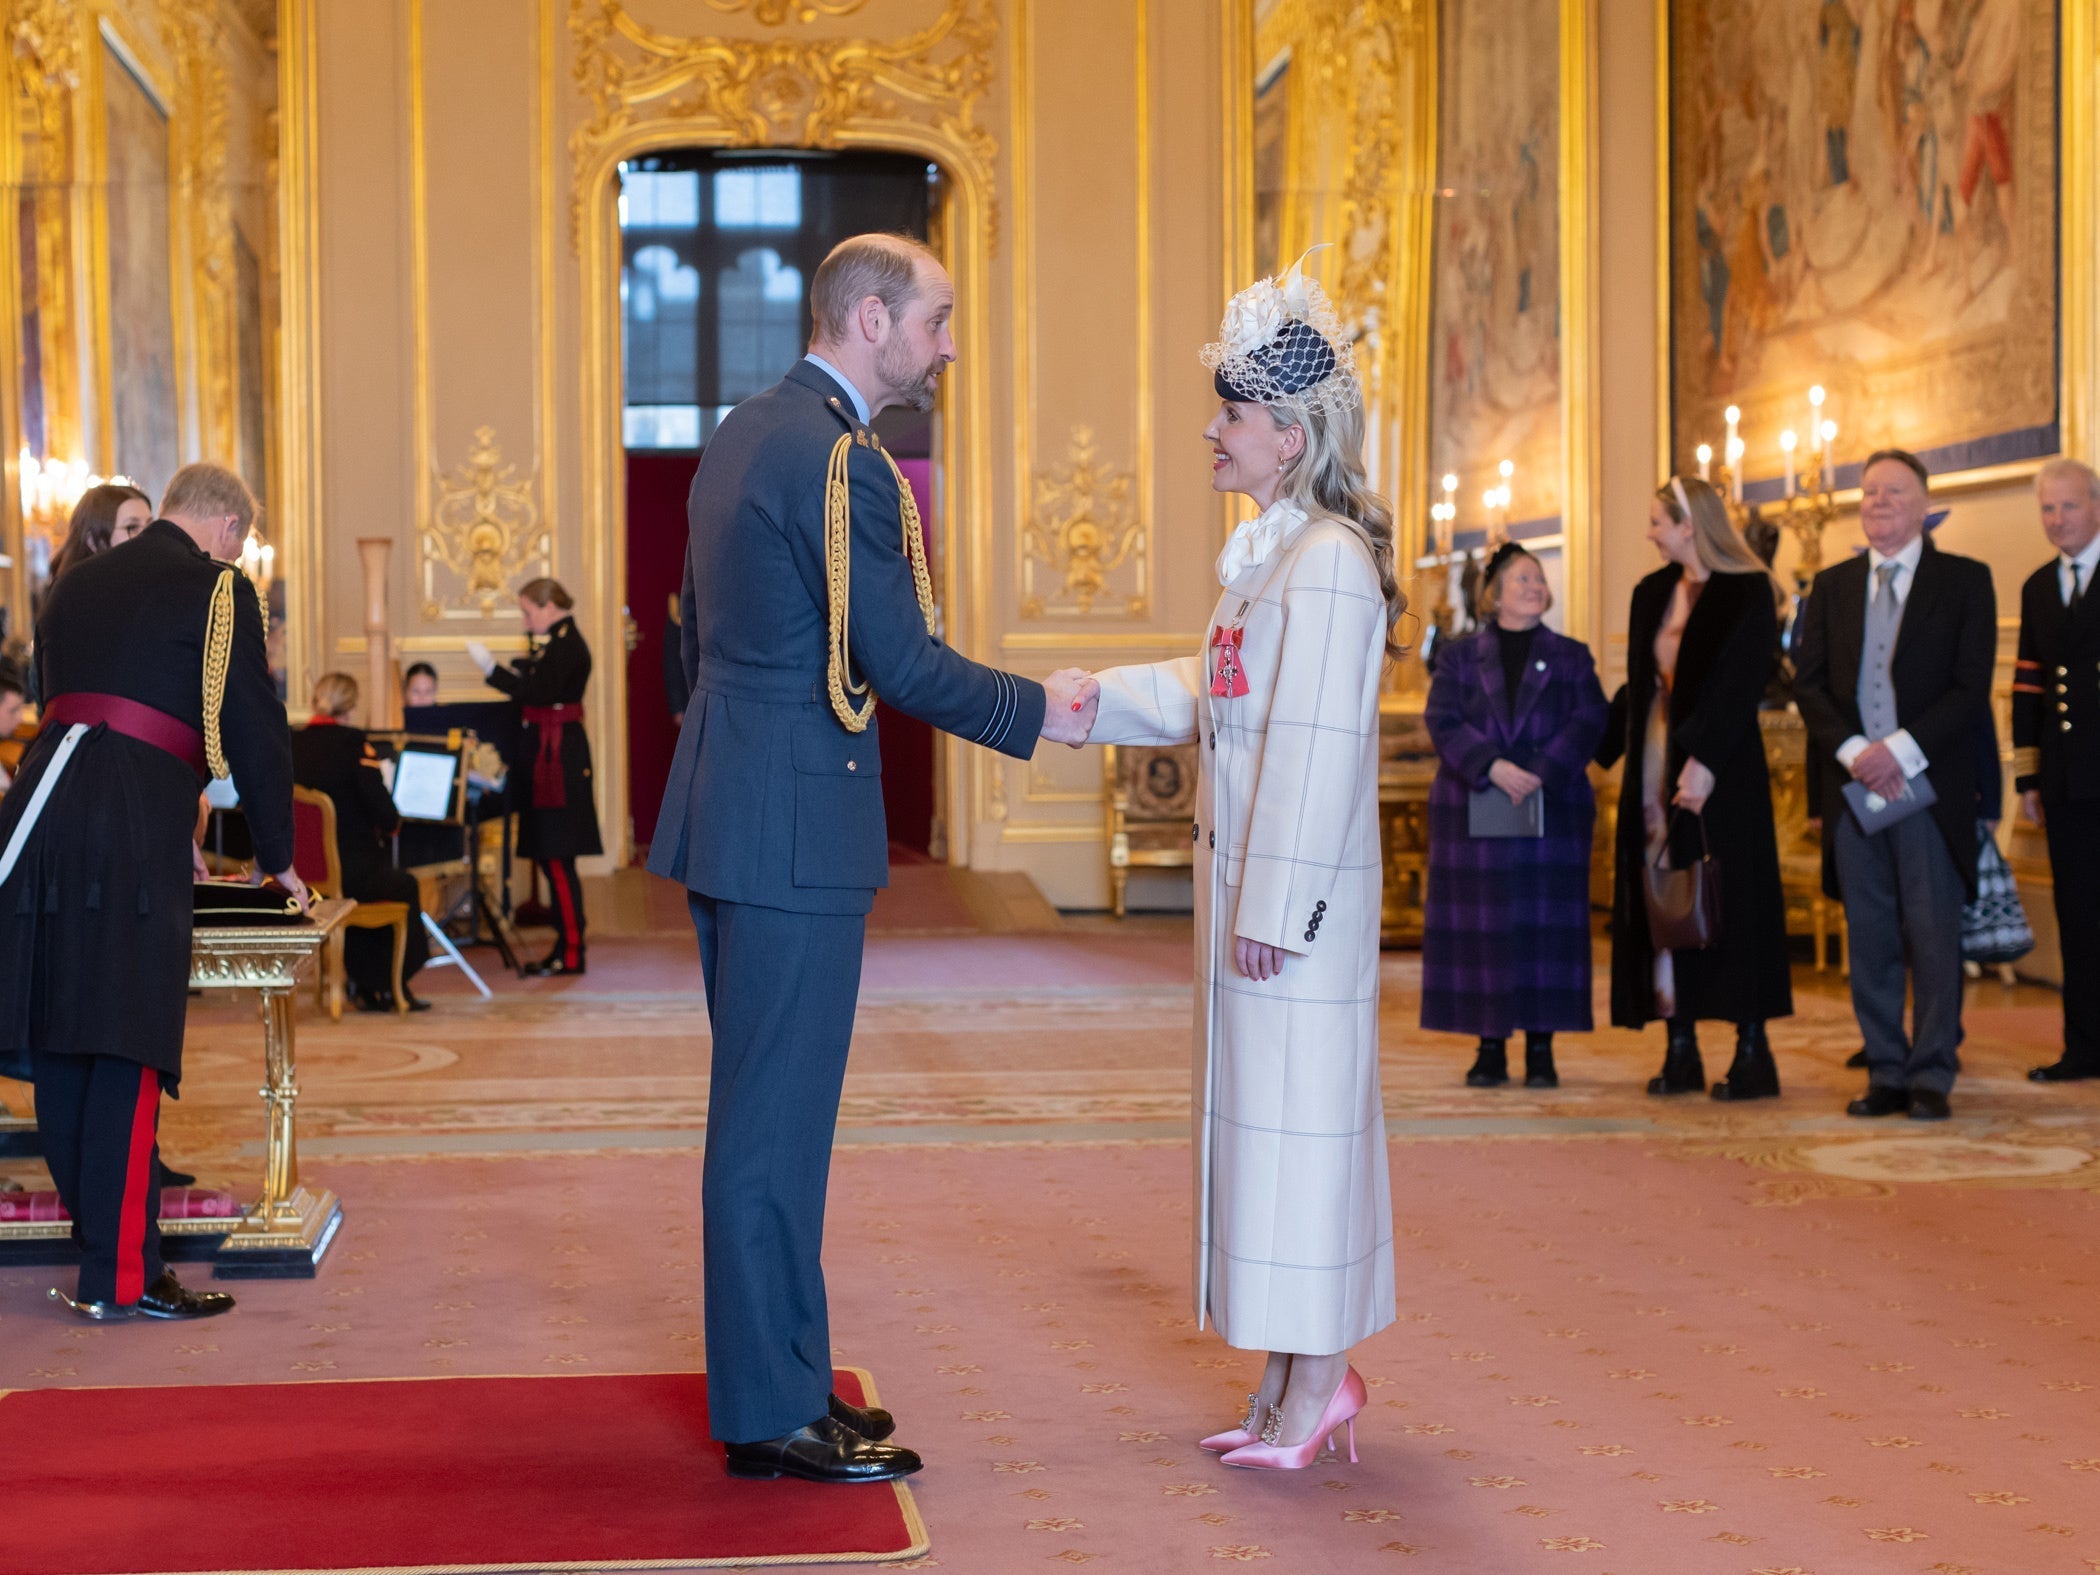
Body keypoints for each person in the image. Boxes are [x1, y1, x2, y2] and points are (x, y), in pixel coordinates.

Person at [648, 232, 1096, 1484]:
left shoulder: (743, 430)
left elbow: (706, 640)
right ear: (869, 317)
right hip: (791, 820)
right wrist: (1040, 711)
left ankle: (787, 1381)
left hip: (734, 800)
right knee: (772, 1127)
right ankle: (765, 1415)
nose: (948, 343)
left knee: (771, 1119)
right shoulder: (844, 462)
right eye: (937, 318)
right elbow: (896, 660)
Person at [1087, 254, 1402, 1472]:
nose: (1212, 431)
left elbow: (1319, 756)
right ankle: (1289, 1381)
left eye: (1229, 412)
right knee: (1268, 1136)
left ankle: (1318, 1380)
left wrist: (1271, 904)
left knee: (1304, 1130)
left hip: (1293, 915)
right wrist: (1075, 702)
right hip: (1255, 910)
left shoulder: (1323, 560)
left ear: (1286, 429)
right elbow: (1203, 694)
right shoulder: (1270, 558)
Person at [0, 462, 306, 1320]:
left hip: (41, 816)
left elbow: (64, 704)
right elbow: (253, 722)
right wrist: (279, 854)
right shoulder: (221, 589)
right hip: (132, 826)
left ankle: (105, 1258)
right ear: (230, 529)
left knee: (63, 1039)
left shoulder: (72, 585)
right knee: (129, 1047)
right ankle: (124, 1278)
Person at [1794, 449, 1996, 1120]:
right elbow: (1810, 683)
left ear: (1923, 503)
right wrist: (1856, 753)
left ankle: (1932, 1071)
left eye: (1894, 491)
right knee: (1872, 933)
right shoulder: (1832, 585)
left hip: (1929, 788)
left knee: (1934, 933)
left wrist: (1899, 751)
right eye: (1869, 491)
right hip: (1854, 790)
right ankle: (1885, 1067)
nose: (1878, 501)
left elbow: (1970, 686)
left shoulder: (1966, 581)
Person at [1597, 476, 1793, 1100]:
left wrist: (1703, 760)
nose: (1650, 532)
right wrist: (1596, 753)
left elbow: (1741, 683)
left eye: (1658, 521)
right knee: (1664, 902)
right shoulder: (1650, 591)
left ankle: (1751, 1052)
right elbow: (1640, 687)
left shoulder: (1747, 591)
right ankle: (1679, 1047)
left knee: (1730, 904)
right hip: (1653, 774)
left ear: (1690, 524)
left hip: (1725, 772)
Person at [1422, 543, 1608, 1089]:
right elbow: (1443, 719)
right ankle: (1489, 1048)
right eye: (1522, 579)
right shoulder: (1458, 656)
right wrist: (1493, 766)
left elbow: (1590, 716)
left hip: (1551, 809)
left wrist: (1541, 770)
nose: (1534, 587)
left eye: (1539, 579)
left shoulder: (1572, 655)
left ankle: (1543, 1049)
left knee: (1545, 933)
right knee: (1484, 931)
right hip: (1473, 810)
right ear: (1494, 593)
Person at [2013, 457, 2100, 1081]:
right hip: (2068, 782)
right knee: (2078, 914)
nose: (2057, 519)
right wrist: (2028, 778)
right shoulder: (2040, 586)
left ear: (2095, 507)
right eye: (2048, 508)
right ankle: (2083, 1047)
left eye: (2068, 506)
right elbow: (2027, 687)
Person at [470, 579, 600, 977]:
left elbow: (538, 692)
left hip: (557, 762)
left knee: (557, 858)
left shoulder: (567, 645)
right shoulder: (558, 642)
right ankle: (566, 946)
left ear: (549, 607)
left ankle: (572, 950)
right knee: (552, 858)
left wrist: (493, 671)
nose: (526, 621)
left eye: (528, 611)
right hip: (552, 760)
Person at [292, 673, 431, 1011]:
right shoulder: (355, 745)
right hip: (353, 870)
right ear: (351, 709)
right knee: (403, 885)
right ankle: (388, 984)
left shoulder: (289, 743)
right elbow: (385, 815)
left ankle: (364, 983)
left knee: (371, 883)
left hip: (300, 878)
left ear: (315, 702)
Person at [48, 483, 153, 582]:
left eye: (151, 525)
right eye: (132, 527)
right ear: (93, 541)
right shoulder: (78, 593)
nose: (147, 534)